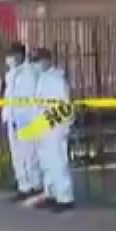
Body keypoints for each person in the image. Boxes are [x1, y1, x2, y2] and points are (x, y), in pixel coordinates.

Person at [31, 47, 75, 213]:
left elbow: (63, 106)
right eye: (34, 61)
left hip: (55, 127)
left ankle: (65, 197)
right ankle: (51, 194)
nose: (36, 64)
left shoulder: (56, 80)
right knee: (46, 162)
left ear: (47, 61)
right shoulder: (42, 79)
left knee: (57, 162)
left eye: (38, 60)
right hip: (44, 126)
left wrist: (57, 125)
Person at [1, 43, 43, 202]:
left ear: (20, 56)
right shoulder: (10, 75)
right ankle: (23, 186)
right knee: (17, 155)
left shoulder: (30, 73)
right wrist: (6, 117)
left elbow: (31, 98)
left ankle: (35, 185)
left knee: (30, 155)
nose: (9, 59)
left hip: (28, 120)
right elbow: (8, 98)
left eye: (12, 55)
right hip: (13, 120)